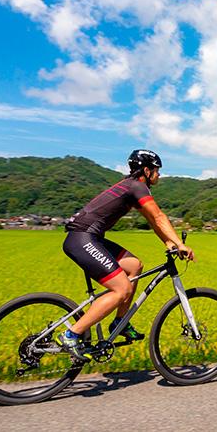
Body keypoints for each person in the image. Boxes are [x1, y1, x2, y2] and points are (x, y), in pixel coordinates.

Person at [57, 149, 194, 360]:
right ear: (146, 171)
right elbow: (158, 216)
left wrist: (168, 241)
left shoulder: (131, 187)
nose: (159, 175)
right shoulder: (137, 187)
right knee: (122, 289)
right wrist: (179, 243)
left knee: (134, 266)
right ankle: (71, 334)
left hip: (89, 238)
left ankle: (119, 322)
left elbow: (152, 220)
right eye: (157, 170)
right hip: (83, 239)